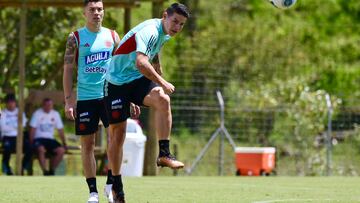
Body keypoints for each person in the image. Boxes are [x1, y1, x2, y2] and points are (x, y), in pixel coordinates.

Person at [104, 3, 190, 202]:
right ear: (164, 16)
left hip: (135, 79)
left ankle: (164, 154)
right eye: (175, 21)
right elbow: (141, 62)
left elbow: (154, 50)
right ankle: (116, 186)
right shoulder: (150, 30)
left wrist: (158, 66)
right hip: (116, 82)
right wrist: (162, 81)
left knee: (162, 99)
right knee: (118, 136)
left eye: (182, 24)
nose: (177, 27)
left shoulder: (165, 32)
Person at [62, 1, 136, 202]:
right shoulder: (75, 38)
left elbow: (122, 68)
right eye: (92, 10)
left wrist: (130, 96)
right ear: (84, 12)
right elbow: (68, 69)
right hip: (85, 98)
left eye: (100, 9)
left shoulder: (112, 36)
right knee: (87, 145)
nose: (96, 13)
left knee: (115, 141)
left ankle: (111, 185)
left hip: (110, 96)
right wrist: (69, 101)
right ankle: (93, 192)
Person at [29, 98, 66, 176]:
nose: (48, 107)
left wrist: (64, 143)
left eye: (50, 105)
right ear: (43, 105)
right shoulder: (37, 114)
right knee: (41, 149)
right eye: (47, 105)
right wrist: (31, 142)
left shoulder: (56, 114)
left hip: (50, 139)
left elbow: (60, 130)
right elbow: (32, 129)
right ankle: (44, 171)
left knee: (61, 150)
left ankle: (52, 171)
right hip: (38, 139)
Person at [0, 93, 32, 175]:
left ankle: (22, 167)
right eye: (8, 102)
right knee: (7, 148)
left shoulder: (20, 112)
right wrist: (16, 126)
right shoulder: (3, 113)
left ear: (15, 103)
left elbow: (23, 125)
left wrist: (11, 127)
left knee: (30, 147)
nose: (10, 104)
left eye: (12, 102)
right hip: (7, 137)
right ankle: (6, 168)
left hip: (19, 137)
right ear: (6, 103)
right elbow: (3, 127)